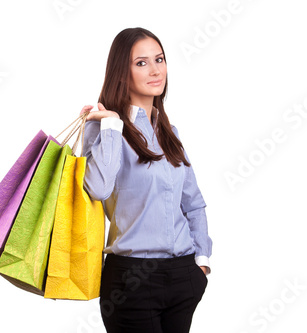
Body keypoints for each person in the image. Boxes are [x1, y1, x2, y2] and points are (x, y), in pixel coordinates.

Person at [79, 27, 213, 333]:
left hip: (183, 276)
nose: (155, 70)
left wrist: (201, 263)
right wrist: (112, 123)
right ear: (121, 72)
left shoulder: (169, 132)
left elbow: (193, 203)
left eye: (159, 59)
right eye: (141, 63)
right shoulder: (102, 129)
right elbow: (98, 190)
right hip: (131, 280)